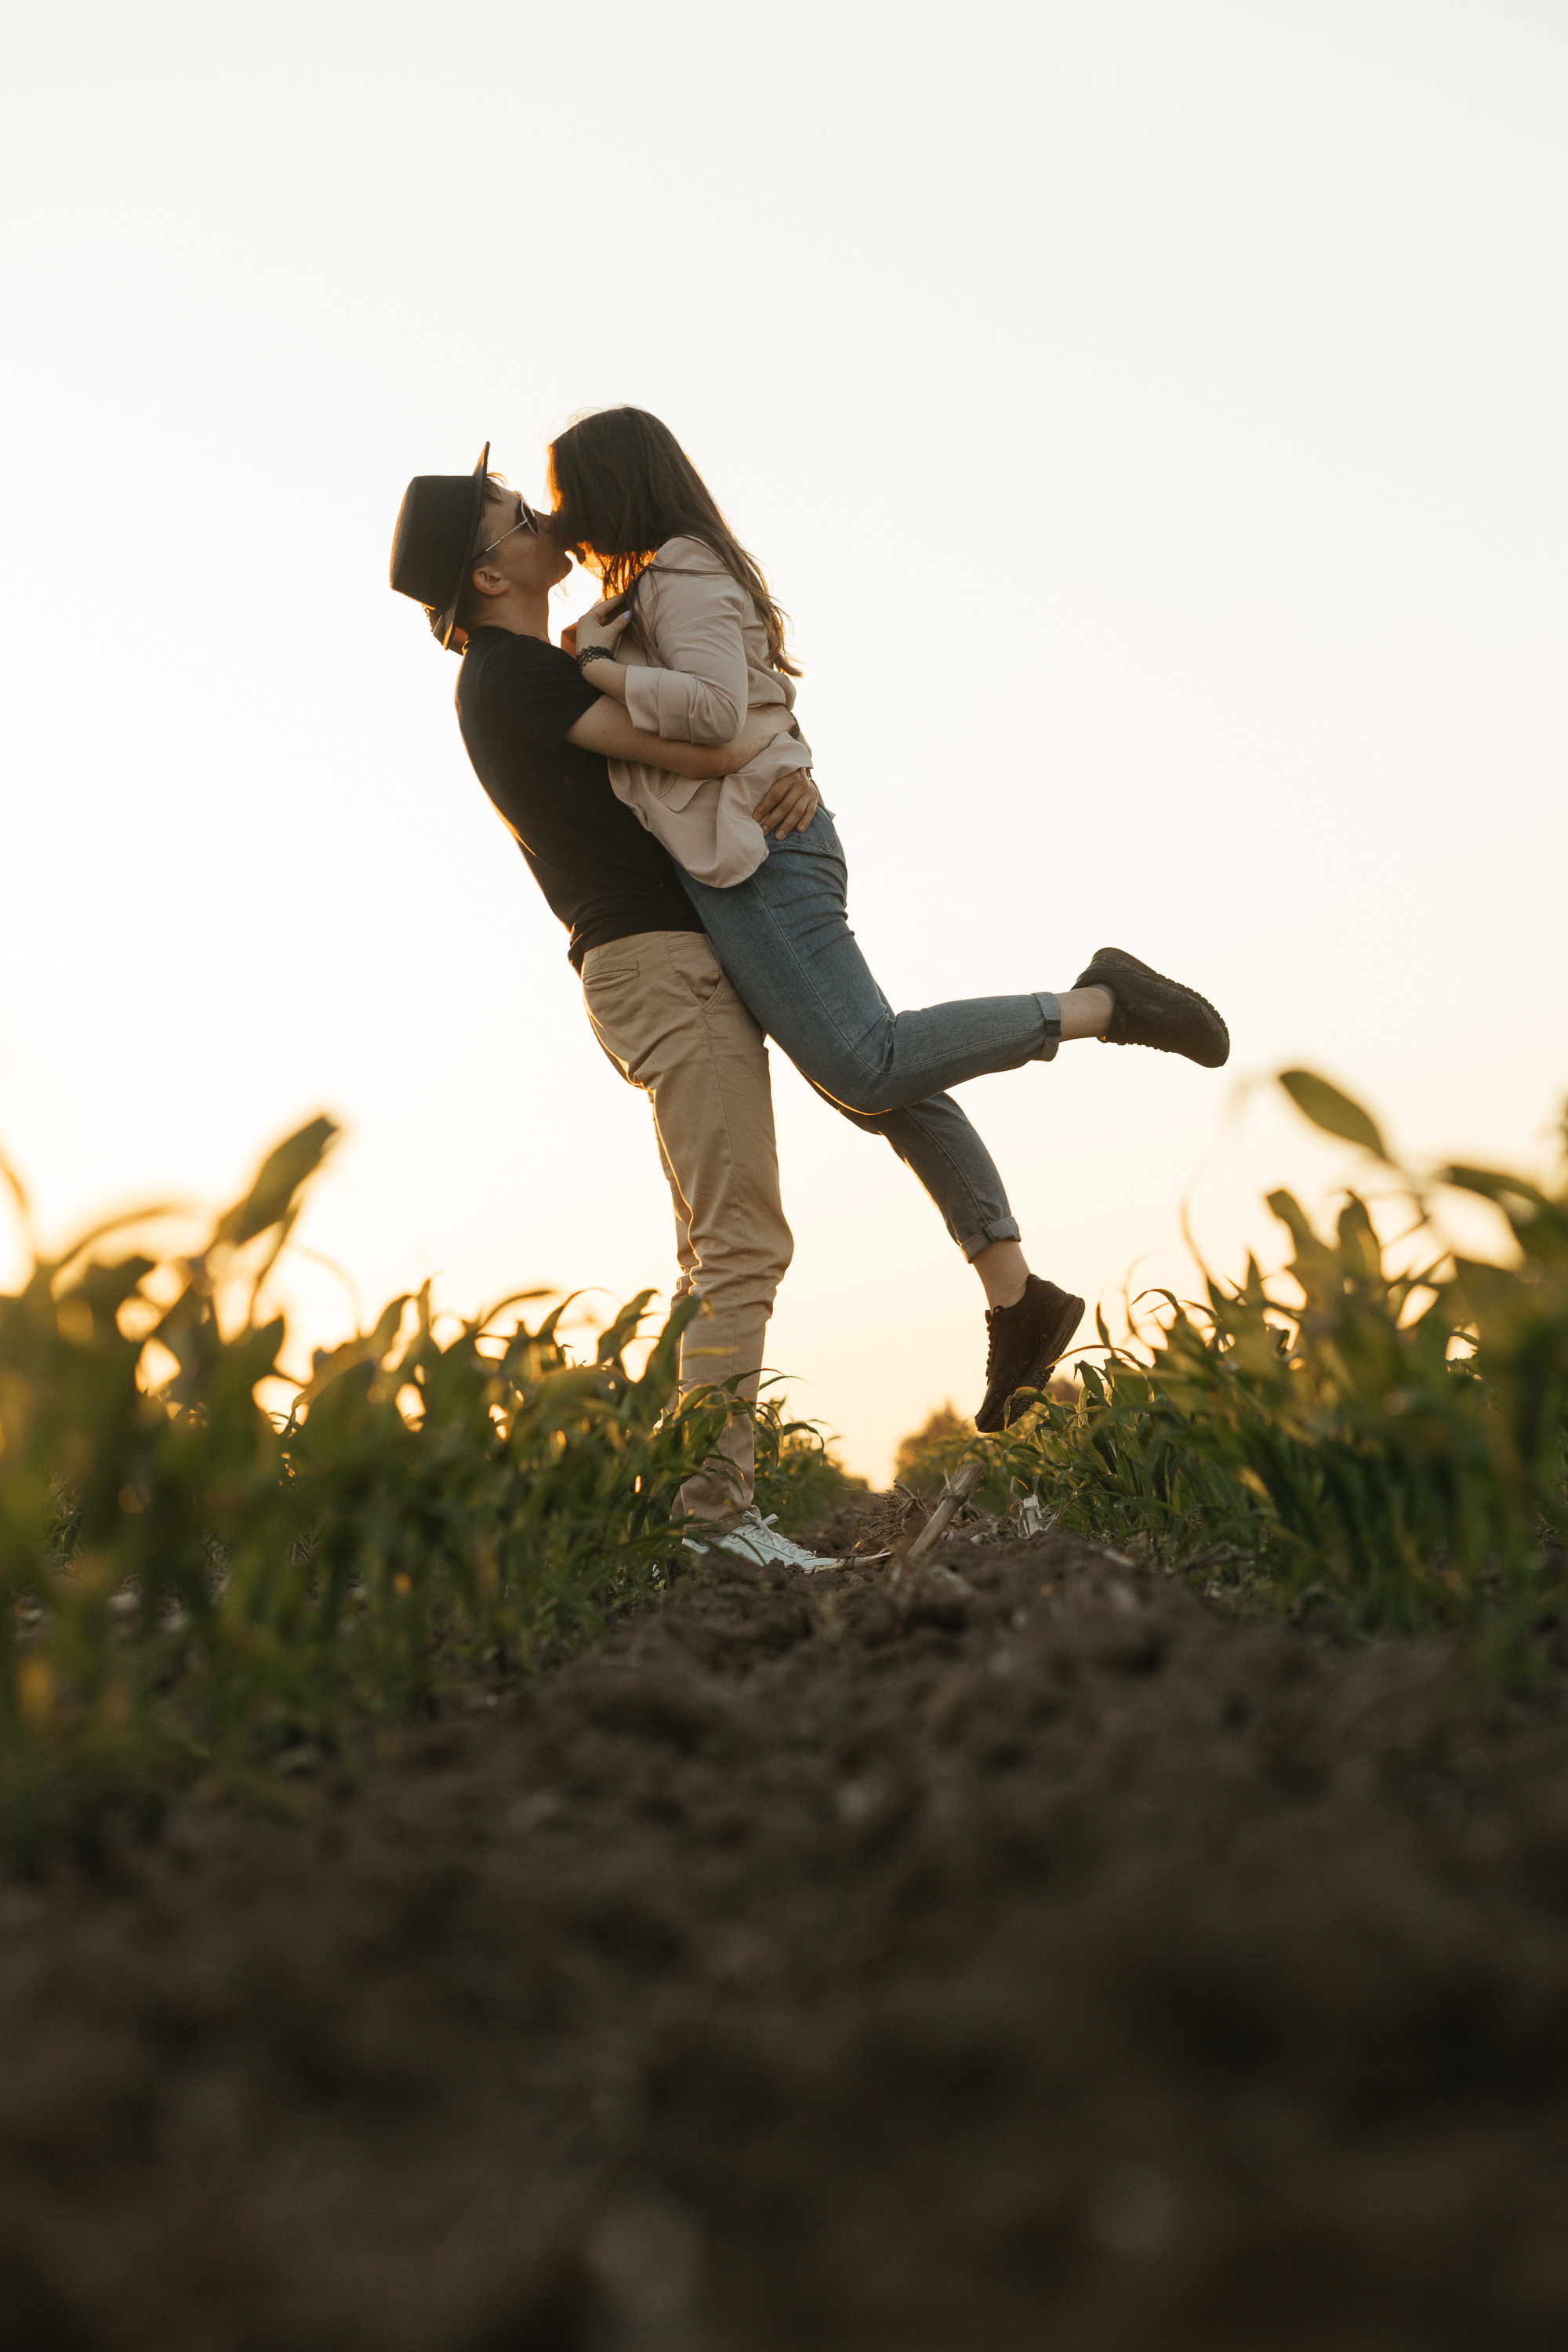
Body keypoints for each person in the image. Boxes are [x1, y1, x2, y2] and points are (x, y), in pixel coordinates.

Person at [546, 408, 1231, 1429]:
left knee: (869, 1063)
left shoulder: (682, 570)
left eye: (568, 491)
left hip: (761, 860)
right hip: (756, 854)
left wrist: (593, 670)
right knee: (885, 1079)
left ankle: (1101, 1004)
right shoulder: (660, 582)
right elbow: (752, 705)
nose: (560, 514)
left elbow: (718, 712)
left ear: (614, 485)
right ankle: (1018, 1298)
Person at [389, 447, 834, 1571]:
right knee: (742, 1241)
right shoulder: (513, 678)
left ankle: (691, 1508)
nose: (549, 517)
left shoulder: (532, 669)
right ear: (491, 576)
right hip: (663, 968)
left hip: (651, 967)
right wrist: (774, 744)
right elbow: (712, 743)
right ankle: (714, 1517)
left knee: (712, 1248)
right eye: (520, 515)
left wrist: (780, 759)